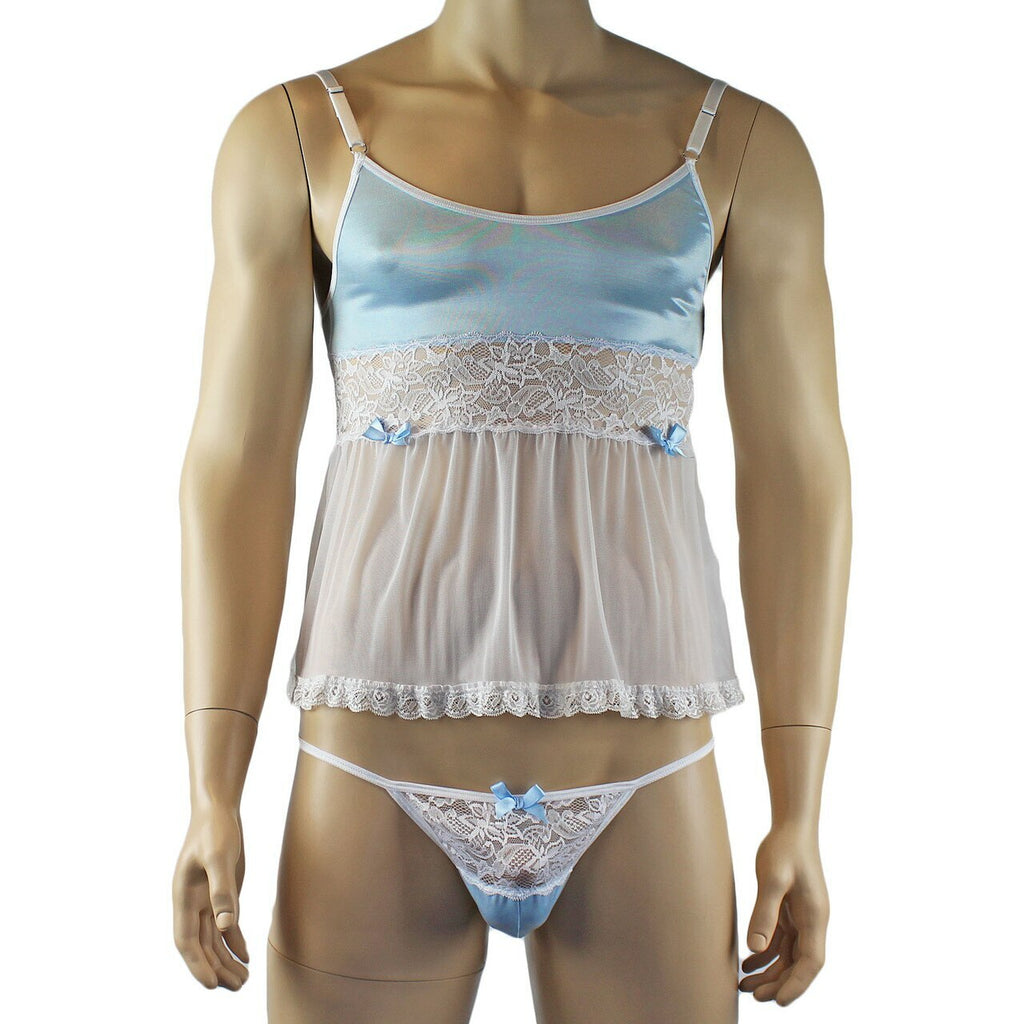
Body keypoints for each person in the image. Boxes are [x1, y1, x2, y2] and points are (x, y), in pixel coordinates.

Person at [173, 3, 851, 1021]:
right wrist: (211, 790)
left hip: (644, 770)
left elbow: (800, 474)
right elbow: (237, 465)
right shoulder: (301, 134)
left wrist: (800, 808)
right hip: (374, 765)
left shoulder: (741, 146)